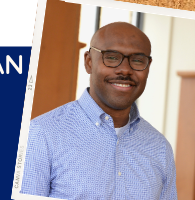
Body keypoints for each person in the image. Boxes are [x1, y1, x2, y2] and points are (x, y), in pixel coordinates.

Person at [20, 22, 177, 199]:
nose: (125, 69)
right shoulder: (42, 135)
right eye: (111, 57)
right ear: (89, 62)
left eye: (138, 60)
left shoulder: (160, 147)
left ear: (148, 67)